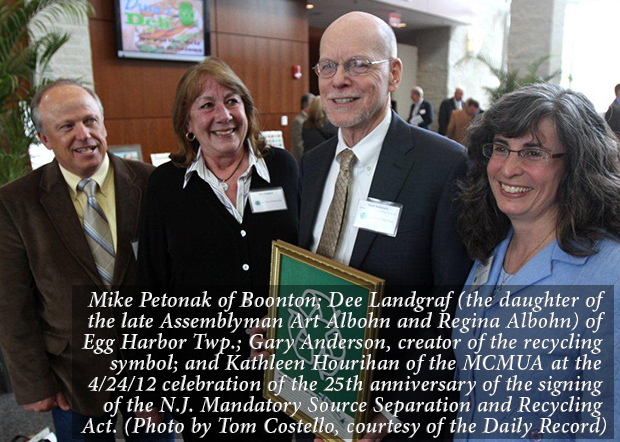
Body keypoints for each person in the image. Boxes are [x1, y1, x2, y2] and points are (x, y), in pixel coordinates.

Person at [250, 11, 471, 441]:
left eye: (357, 65)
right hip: (311, 399)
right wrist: (280, 326)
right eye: (328, 67)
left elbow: (453, 312)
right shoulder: (311, 165)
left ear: (393, 74)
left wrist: (394, 411)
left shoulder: (444, 167)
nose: (338, 80)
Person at [137, 57, 299, 441]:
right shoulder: (165, 186)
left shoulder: (283, 169)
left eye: (232, 100)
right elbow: (150, 285)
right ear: (188, 123)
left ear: (247, 110)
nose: (223, 115)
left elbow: (307, 258)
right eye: (207, 105)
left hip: (276, 375)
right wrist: (147, 385)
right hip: (200, 379)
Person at [0, 79, 169, 439]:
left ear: (104, 125)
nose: (84, 134)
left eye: (91, 121)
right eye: (67, 126)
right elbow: (13, 303)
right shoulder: (16, 204)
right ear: (45, 139)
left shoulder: (154, 183)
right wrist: (34, 384)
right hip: (72, 375)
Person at [454, 83, 620, 440]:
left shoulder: (611, 275)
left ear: (576, 164)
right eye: (501, 149)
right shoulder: (492, 251)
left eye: (533, 153)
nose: (509, 169)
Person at [290, 93, 315, 162]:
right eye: (313, 104)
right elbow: (297, 144)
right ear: (306, 105)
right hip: (301, 159)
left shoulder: (310, 119)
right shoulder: (298, 121)